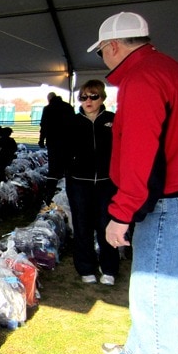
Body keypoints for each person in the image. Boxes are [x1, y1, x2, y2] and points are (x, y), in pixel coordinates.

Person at [89, 11, 178, 354]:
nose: (103, 59)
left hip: (169, 201)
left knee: (156, 294)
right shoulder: (168, 69)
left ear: (113, 46)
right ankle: (138, 349)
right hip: (176, 197)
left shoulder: (142, 79)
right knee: (152, 286)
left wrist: (121, 213)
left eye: (102, 52)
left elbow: (139, 151)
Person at [65, 79, 118, 285]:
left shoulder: (112, 120)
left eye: (93, 96)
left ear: (102, 98)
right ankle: (86, 268)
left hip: (107, 183)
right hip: (79, 183)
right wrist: (69, 170)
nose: (88, 101)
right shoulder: (73, 122)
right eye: (84, 97)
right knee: (82, 225)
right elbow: (62, 150)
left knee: (106, 224)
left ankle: (109, 268)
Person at [38, 92, 75, 203]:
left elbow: (43, 125)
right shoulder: (68, 107)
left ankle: (50, 193)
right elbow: (74, 124)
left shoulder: (48, 109)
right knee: (67, 167)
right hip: (67, 143)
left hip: (53, 142)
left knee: (53, 168)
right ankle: (67, 192)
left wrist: (41, 139)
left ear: (49, 99)